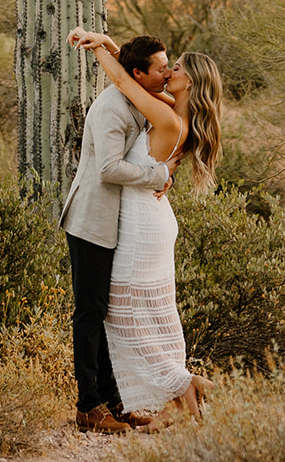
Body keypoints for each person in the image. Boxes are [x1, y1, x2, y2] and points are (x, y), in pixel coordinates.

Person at [68, 27, 223, 425]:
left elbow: (124, 77)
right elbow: (134, 73)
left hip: (141, 222)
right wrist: (110, 46)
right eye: (165, 66)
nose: (170, 70)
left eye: (177, 67)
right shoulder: (172, 108)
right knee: (145, 314)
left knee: (121, 315)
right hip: (149, 218)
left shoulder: (167, 116)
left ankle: (179, 382)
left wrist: (98, 43)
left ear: (189, 81)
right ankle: (180, 392)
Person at [58, 33, 180, 434]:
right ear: (138, 74)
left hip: (115, 224)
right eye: (161, 68)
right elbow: (109, 168)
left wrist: (107, 43)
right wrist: (156, 176)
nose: (166, 73)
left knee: (106, 314)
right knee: (90, 313)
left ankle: (114, 403)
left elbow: (158, 101)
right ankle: (89, 406)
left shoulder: (138, 96)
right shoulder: (113, 108)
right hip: (92, 222)